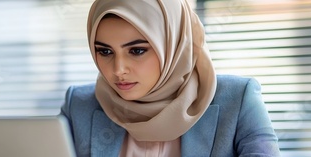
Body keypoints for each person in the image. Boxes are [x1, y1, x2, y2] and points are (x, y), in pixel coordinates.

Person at [60, 0, 281, 156]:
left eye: (137, 51)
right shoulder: (78, 105)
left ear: (174, 45)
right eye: (105, 52)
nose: (118, 70)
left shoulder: (238, 100)